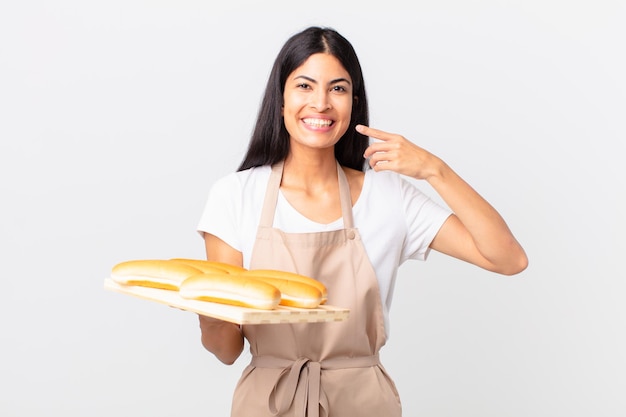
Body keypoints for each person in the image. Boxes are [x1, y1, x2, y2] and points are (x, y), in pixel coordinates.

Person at [196, 26, 527, 417]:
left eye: (337, 89)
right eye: (304, 86)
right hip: (267, 402)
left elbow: (508, 259)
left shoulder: (389, 196)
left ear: (354, 101)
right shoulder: (235, 196)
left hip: (363, 403)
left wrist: (436, 170)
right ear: (280, 99)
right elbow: (226, 350)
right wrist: (210, 316)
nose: (320, 103)